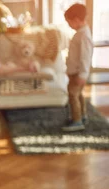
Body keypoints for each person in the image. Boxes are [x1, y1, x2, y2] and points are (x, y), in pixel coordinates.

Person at [62, 3, 93, 132]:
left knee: (73, 95)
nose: (69, 26)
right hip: (75, 71)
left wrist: (83, 74)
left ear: (76, 20)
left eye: (69, 23)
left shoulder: (84, 35)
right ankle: (82, 115)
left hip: (77, 73)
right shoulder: (81, 32)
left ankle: (77, 120)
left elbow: (85, 57)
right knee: (79, 94)